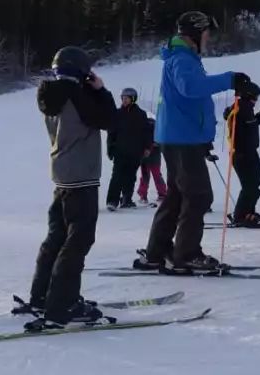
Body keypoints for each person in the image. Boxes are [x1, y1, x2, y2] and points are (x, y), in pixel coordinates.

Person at [134, 11, 251, 272]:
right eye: (206, 33)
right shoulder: (182, 60)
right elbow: (191, 88)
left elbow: (190, 99)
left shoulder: (183, 58)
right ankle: (186, 254)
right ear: (195, 35)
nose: (208, 39)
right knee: (198, 195)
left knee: (177, 196)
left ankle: (157, 251)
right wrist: (229, 79)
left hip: (181, 138)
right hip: (182, 140)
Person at [26, 46, 116, 329]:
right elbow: (110, 120)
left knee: (57, 236)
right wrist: (101, 90)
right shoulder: (78, 95)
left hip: (62, 173)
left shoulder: (51, 94)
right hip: (82, 175)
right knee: (77, 241)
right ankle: (62, 304)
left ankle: (42, 297)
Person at [223, 81, 260, 227]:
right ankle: (241, 215)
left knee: (254, 183)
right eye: (255, 97)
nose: (256, 101)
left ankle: (248, 212)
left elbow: (250, 125)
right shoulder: (241, 109)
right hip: (242, 154)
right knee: (250, 185)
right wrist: (241, 151)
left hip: (247, 152)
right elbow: (242, 129)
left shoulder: (244, 108)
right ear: (248, 95)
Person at [105, 87, 152, 210]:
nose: (124, 100)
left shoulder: (141, 115)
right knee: (117, 176)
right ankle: (112, 201)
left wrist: (147, 147)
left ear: (133, 99)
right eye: (123, 98)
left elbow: (146, 132)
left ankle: (126, 199)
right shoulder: (117, 114)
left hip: (135, 151)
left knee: (130, 176)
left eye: (127, 98)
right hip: (120, 151)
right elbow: (111, 133)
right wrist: (110, 148)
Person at [137, 119, 166, 205]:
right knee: (157, 175)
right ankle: (162, 193)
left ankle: (143, 195)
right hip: (155, 156)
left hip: (145, 155)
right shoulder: (158, 130)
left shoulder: (143, 129)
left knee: (145, 175)